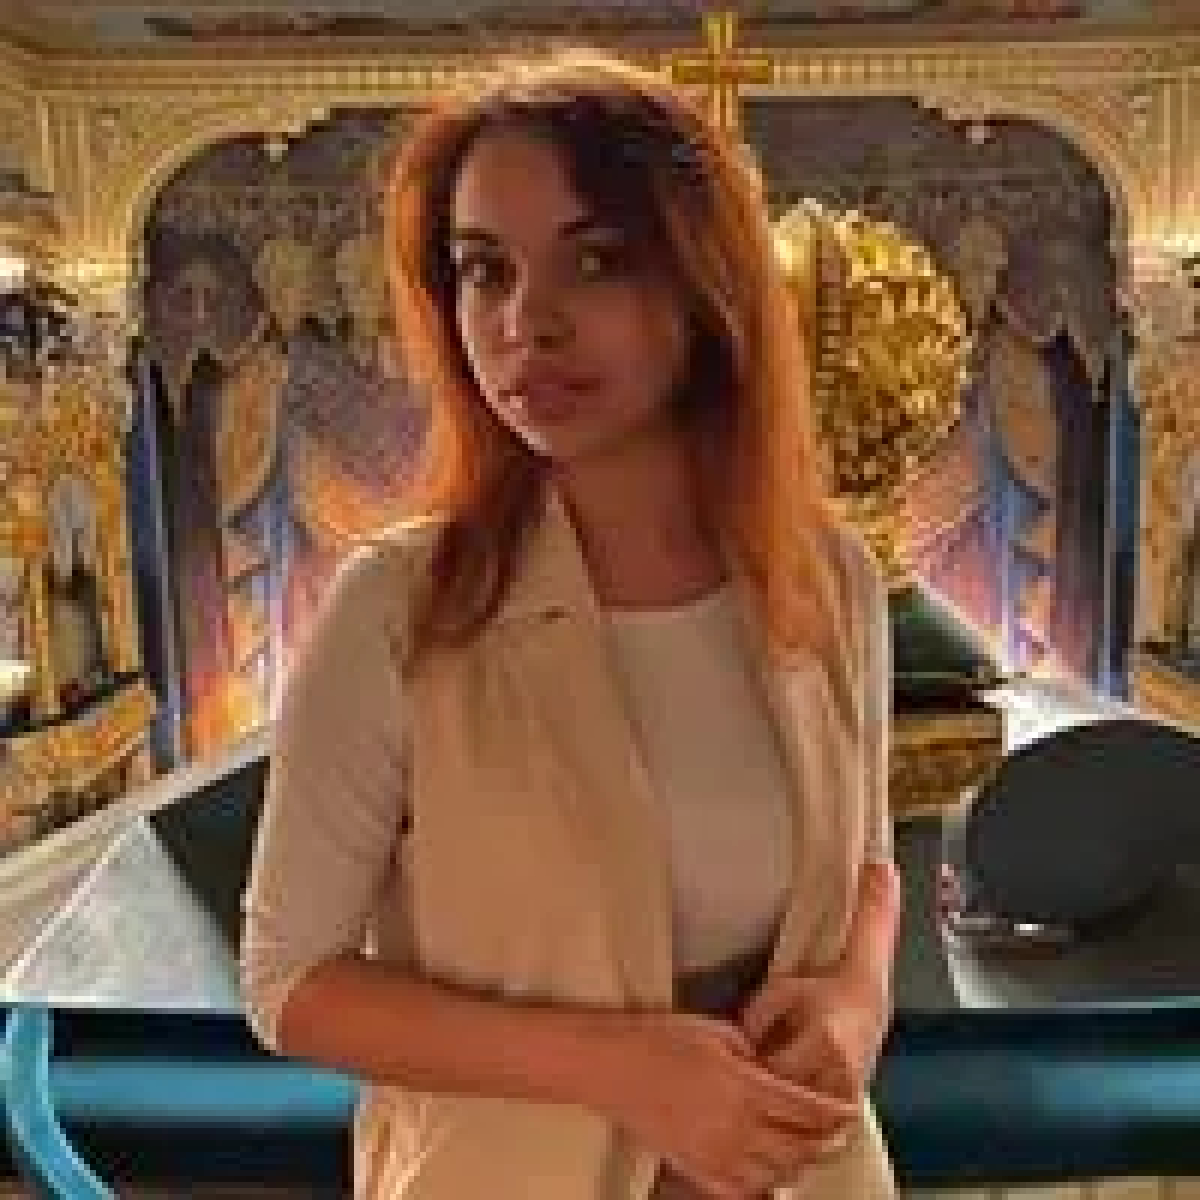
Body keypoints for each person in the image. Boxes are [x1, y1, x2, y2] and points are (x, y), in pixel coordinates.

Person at [240, 48, 901, 1200]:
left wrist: (856, 1002)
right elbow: (289, 982)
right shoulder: (398, 608)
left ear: (705, 286)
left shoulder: (829, 577)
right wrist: (621, 1069)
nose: (525, 323)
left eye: (596, 261)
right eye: (483, 271)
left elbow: (871, 867)